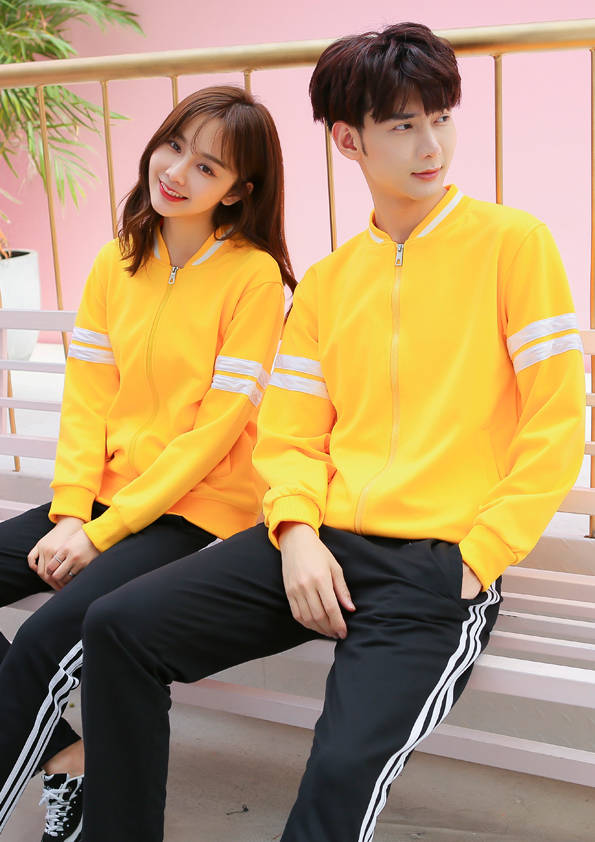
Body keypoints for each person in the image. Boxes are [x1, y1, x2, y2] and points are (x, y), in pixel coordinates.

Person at [79, 23, 586, 842]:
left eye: (440, 118)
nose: (431, 145)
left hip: (437, 565)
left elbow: (556, 419)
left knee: (342, 768)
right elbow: (289, 435)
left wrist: (478, 557)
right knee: (117, 627)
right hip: (316, 544)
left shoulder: (513, 245)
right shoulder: (326, 282)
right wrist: (294, 532)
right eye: (403, 125)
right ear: (349, 140)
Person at [0, 85, 293, 841]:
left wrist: (101, 533)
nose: (178, 172)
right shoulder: (117, 260)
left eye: (208, 167)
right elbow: (88, 398)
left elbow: (214, 432)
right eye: (174, 147)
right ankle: (68, 757)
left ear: (239, 190)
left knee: (42, 643)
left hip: (192, 513)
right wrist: (73, 511)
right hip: (99, 501)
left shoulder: (254, 277)